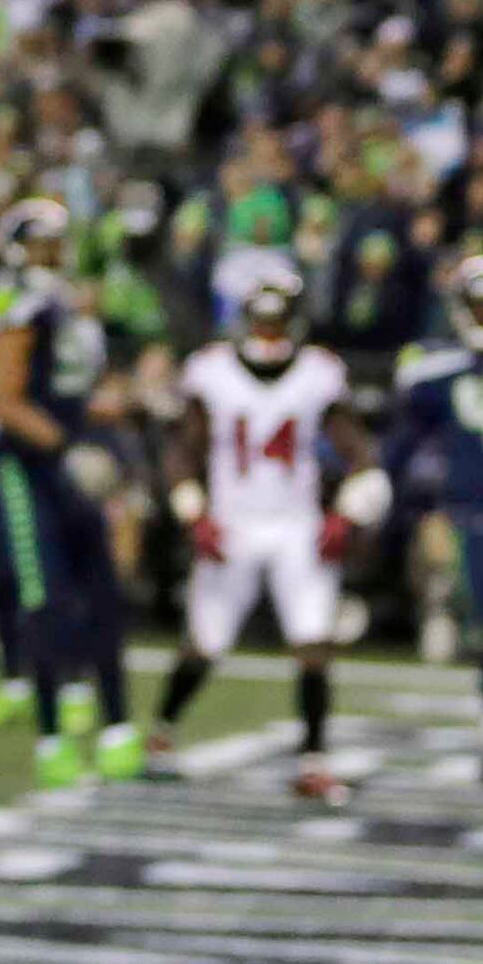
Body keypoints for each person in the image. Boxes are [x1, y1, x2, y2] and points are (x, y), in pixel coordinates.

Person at [151, 268, 373, 803]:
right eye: (262, 321)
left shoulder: (319, 373)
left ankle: (313, 760)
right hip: (233, 524)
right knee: (204, 645)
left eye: (277, 322)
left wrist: (346, 513)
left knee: (314, 643)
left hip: (297, 525)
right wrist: (193, 513)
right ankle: (161, 733)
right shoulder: (212, 372)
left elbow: (358, 453)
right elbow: (183, 450)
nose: (270, 333)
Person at [0, 199, 142, 783]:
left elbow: (72, 387)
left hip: (76, 456)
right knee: (42, 598)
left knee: (101, 593)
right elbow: (7, 400)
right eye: (43, 241)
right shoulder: (17, 300)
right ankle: (52, 739)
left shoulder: (67, 302)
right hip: (33, 468)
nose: (54, 251)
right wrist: (67, 449)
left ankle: (119, 729)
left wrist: (113, 411)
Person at [388, 255, 483, 810]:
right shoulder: (433, 372)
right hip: (477, 519)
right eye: (478, 303)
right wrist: (410, 514)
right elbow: (399, 452)